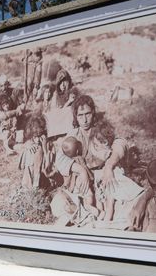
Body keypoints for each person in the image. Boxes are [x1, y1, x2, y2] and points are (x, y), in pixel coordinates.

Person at [53, 95, 143, 225]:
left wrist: (109, 166)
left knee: (119, 186)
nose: (84, 119)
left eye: (88, 114)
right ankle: (89, 213)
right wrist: (81, 171)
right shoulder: (74, 135)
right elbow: (60, 158)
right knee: (69, 200)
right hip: (86, 177)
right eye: (80, 115)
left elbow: (120, 142)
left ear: (93, 113)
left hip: (103, 173)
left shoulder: (100, 129)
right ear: (75, 117)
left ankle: (108, 214)